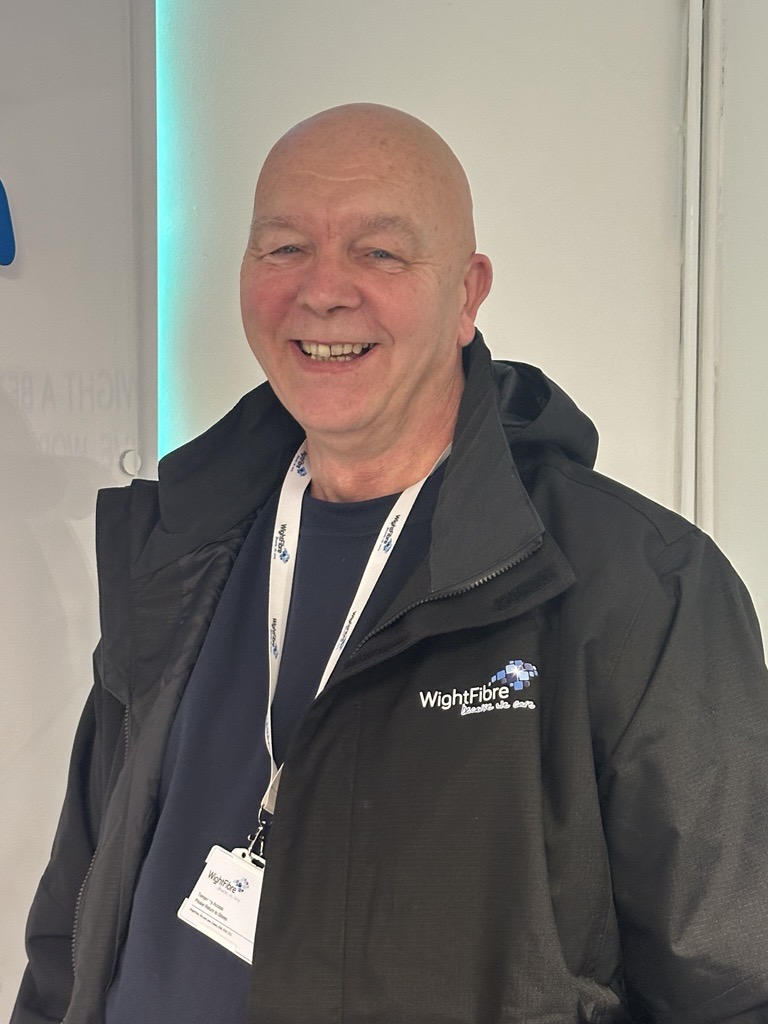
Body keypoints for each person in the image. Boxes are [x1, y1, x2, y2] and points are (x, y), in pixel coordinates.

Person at [12, 103, 768, 1024]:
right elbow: (73, 928)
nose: (323, 291)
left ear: (467, 296)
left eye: (379, 252)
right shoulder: (178, 548)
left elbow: (735, 989)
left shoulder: (644, 589)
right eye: (284, 248)